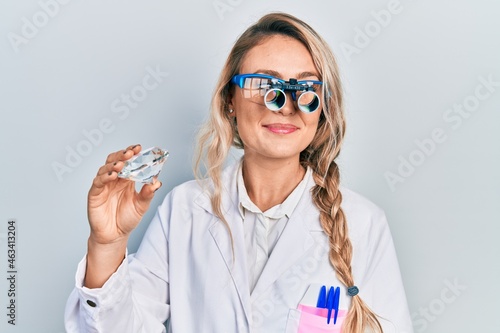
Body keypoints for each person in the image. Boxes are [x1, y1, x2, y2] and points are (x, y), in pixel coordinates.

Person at [65, 12, 413, 333]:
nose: (287, 106)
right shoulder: (185, 210)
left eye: (306, 88)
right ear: (229, 101)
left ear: (322, 109)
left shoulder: (363, 224)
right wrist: (107, 245)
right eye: (264, 85)